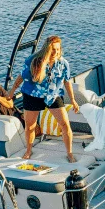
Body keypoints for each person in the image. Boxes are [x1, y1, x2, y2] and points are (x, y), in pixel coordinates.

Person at [19, 35, 80, 163]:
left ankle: (69, 153)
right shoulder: (33, 60)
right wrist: (11, 91)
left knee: (65, 124)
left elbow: (67, 81)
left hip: (53, 95)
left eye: (58, 49)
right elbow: (22, 76)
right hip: (33, 95)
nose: (55, 52)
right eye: (53, 50)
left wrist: (73, 100)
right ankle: (29, 150)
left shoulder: (63, 63)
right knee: (30, 126)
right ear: (46, 49)